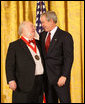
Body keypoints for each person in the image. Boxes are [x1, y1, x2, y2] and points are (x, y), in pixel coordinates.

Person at [6, 21, 44, 103]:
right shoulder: (14, 45)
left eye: (34, 26)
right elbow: (9, 65)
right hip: (23, 84)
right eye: (31, 26)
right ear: (23, 30)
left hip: (40, 83)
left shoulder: (39, 43)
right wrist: (11, 80)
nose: (34, 28)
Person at [40, 11, 74, 103]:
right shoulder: (42, 35)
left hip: (60, 78)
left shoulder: (65, 36)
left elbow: (69, 58)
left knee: (65, 101)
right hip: (46, 78)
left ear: (51, 21)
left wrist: (64, 76)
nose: (42, 25)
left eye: (43, 22)